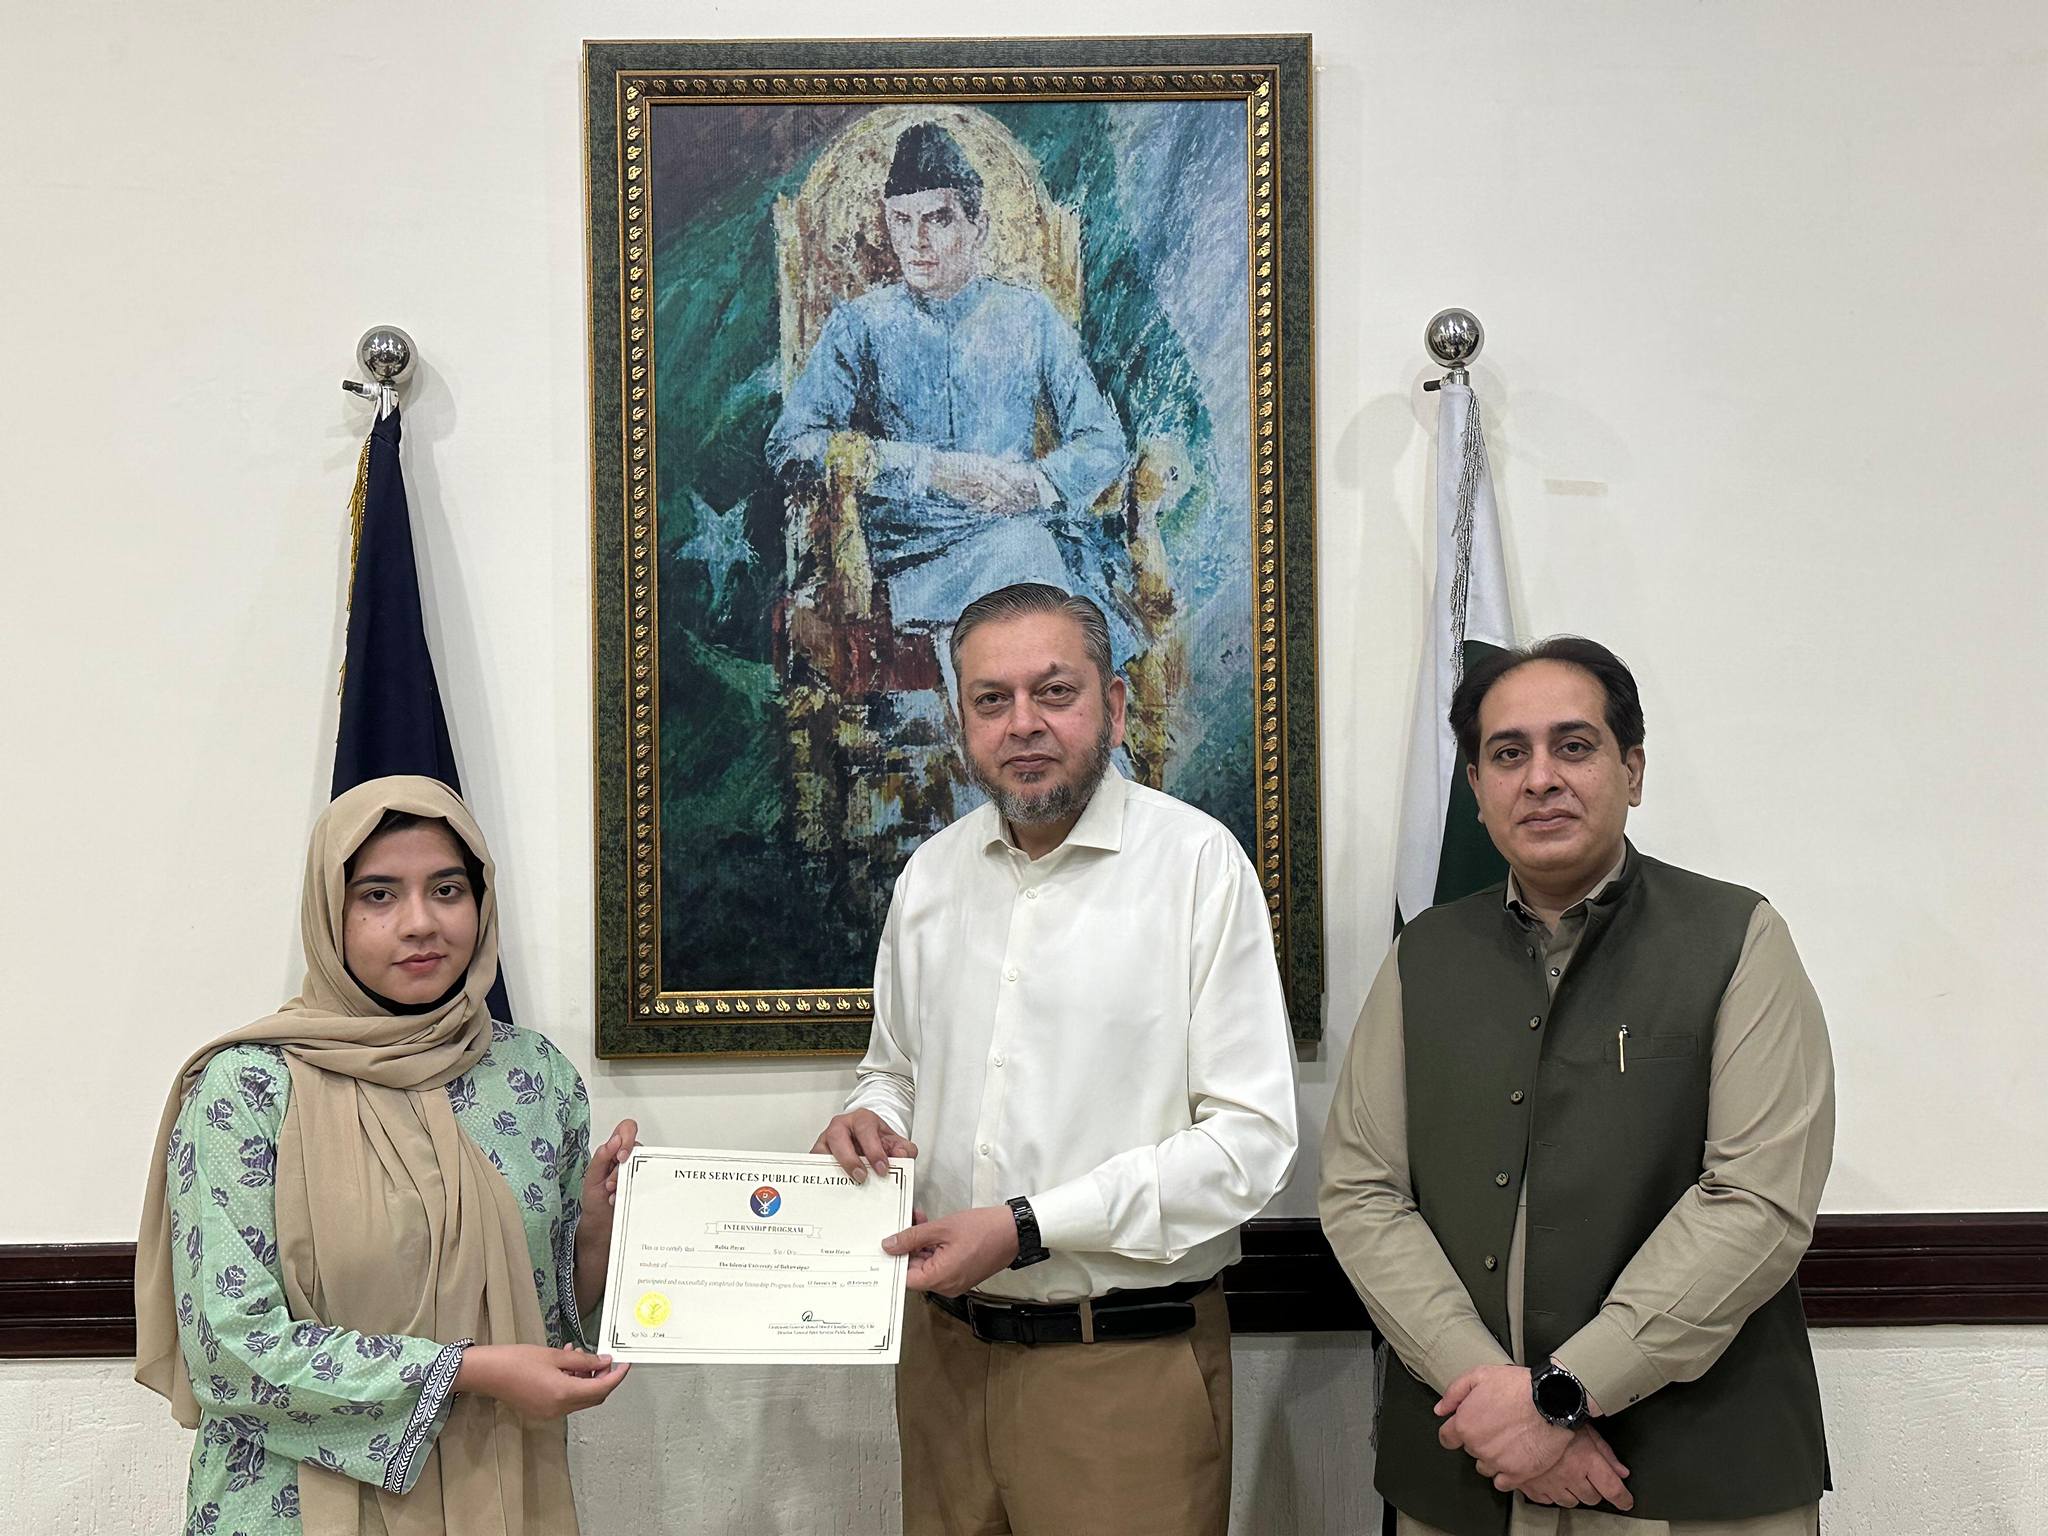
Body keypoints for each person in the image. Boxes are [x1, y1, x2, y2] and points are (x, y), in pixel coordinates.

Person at [811, 581, 1299, 1536]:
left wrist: (1028, 1227)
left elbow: (1251, 1143)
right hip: (945, 1361)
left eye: (1055, 691)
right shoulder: (931, 876)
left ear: (1112, 704)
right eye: (992, 699)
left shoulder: (1198, 868)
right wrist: (872, 1120)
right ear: (960, 719)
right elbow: (894, 1068)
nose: (1023, 723)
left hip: (1122, 1370)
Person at [1320, 638, 1835, 1536]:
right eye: (1507, 754)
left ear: (1632, 770)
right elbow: (1363, 1192)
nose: (1540, 778)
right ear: (1475, 788)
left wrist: (1561, 1394)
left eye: (1574, 746)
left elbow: (1757, 1199)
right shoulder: (1422, 957)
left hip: (1694, 1473)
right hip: (1467, 1469)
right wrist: (1490, 1397)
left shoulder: (1738, 938)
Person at [135, 776, 637, 1535]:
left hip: (497, 1485)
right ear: (328, 912)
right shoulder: (249, 1088)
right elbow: (229, 1349)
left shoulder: (533, 1076)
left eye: (447, 890)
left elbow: (548, 1318)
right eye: (378, 895)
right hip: (295, 1504)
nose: (420, 923)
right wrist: (467, 1371)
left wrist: (595, 1231)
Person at [766, 122, 1137, 665]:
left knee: (1034, 555)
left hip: (1016, 525)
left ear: (978, 226)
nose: (916, 242)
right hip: (906, 558)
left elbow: (1105, 442)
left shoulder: (1030, 317)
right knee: (1034, 570)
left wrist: (1035, 484)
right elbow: (789, 444)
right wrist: (925, 469)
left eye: (937, 219)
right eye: (902, 221)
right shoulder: (861, 324)